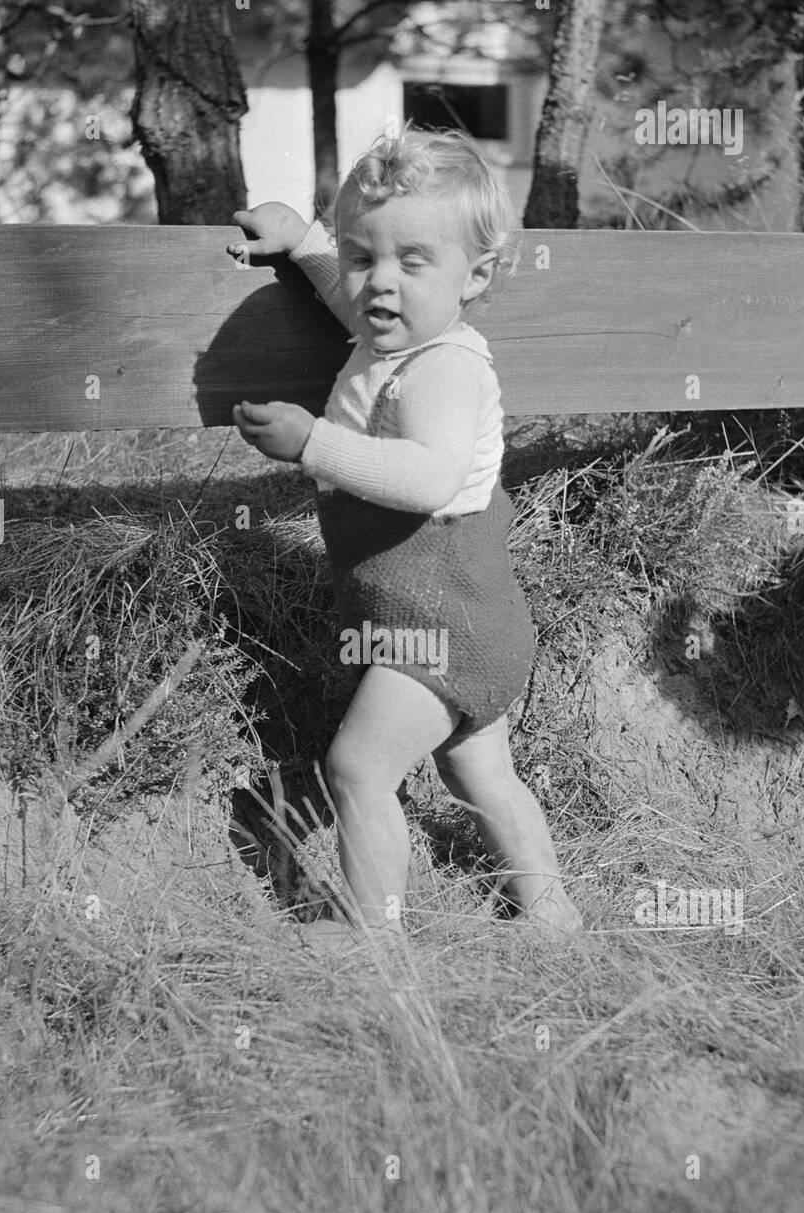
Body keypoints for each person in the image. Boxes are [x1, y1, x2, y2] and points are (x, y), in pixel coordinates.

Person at [226, 126, 582, 949]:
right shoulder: (402, 331)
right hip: (471, 620)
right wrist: (308, 241)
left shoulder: (444, 371)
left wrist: (313, 442)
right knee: (481, 769)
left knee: (359, 768)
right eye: (363, 256)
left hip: (443, 625)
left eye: (412, 262)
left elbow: (425, 478)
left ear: (478, 276)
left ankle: (372, 935)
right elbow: (355, 301)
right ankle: (552, 913)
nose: (379, 285)